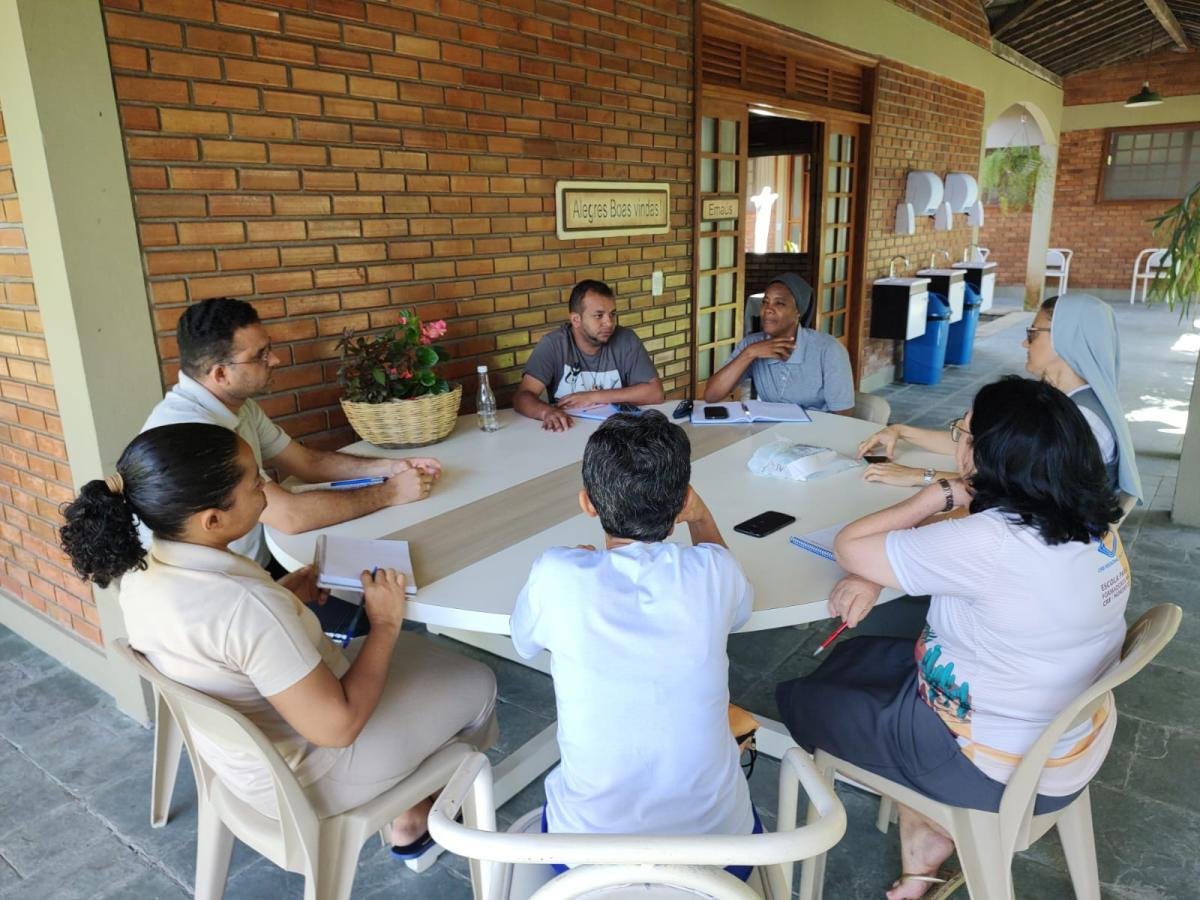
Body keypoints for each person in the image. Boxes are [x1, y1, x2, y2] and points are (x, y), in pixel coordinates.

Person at [60, 423, 496, 857]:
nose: (267, 490)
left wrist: (285, 593)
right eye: (255, 484)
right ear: (213, 520)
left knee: (412, 662)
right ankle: (413, 810)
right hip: (313, 778)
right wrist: (384, 623)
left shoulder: (142, 575)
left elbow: (222, 645)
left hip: (245, 765)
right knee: (477, 681)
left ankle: (409, 797)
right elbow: (338, 727)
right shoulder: (245, 607)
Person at [776, 377, 1130, 900]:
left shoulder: (990, 543)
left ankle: (928, 812)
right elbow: (969, 546)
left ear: (987, 459)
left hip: (985, 762)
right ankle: (924, 838)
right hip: (1065, 737)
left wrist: (938, 492)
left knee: (803, 697)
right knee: (860, 654)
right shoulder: (1091, 520)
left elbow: (852, 547)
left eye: (961, 433)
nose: (957, 440)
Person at [509, 411, 759, 877]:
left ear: (588, 503)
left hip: (587, 864)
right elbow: (738, 607)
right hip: (721, 859)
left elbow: (523, 642)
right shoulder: (714, 571)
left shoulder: (556, 576)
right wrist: (702, 516)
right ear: (683, 500)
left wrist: (573, 567)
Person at [142, 298, 442, 569]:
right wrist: (391, 492)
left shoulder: (237, 404)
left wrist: (389, 469)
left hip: (251, 566)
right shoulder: (192, 434)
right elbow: (289, 516)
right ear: (221, 374)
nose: (275, 360)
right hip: (220, 598)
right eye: (260, 355)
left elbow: (306, 463)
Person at [857, 294, 1141, 503]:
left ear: (1065, 338)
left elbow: (1010, 490)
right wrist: (901, 431)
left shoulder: (1084, 421)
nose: (1023, 342)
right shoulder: (1061, 400)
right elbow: (987, 447)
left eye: (1032, 333)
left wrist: (918, 475)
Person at [513, 279, 665, 431]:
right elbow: (523, 397)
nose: (609, 323)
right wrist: (547, 412)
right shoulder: (553, 344)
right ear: (576, 320)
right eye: (599, 316)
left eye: (612, 314)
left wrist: (593, 397)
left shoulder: (626, 339)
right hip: (568, 431)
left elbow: (655, 393)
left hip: (617, 434)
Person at [702, 273, 854, 414]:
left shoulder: (828, 350)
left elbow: (843, 415)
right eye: (765, 302)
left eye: (779, 303)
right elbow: (711, 395)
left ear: (798, 312)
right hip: (772, 435)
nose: (768, 309)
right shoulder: (752, 344)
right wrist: (749, 354)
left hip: (818, 436)